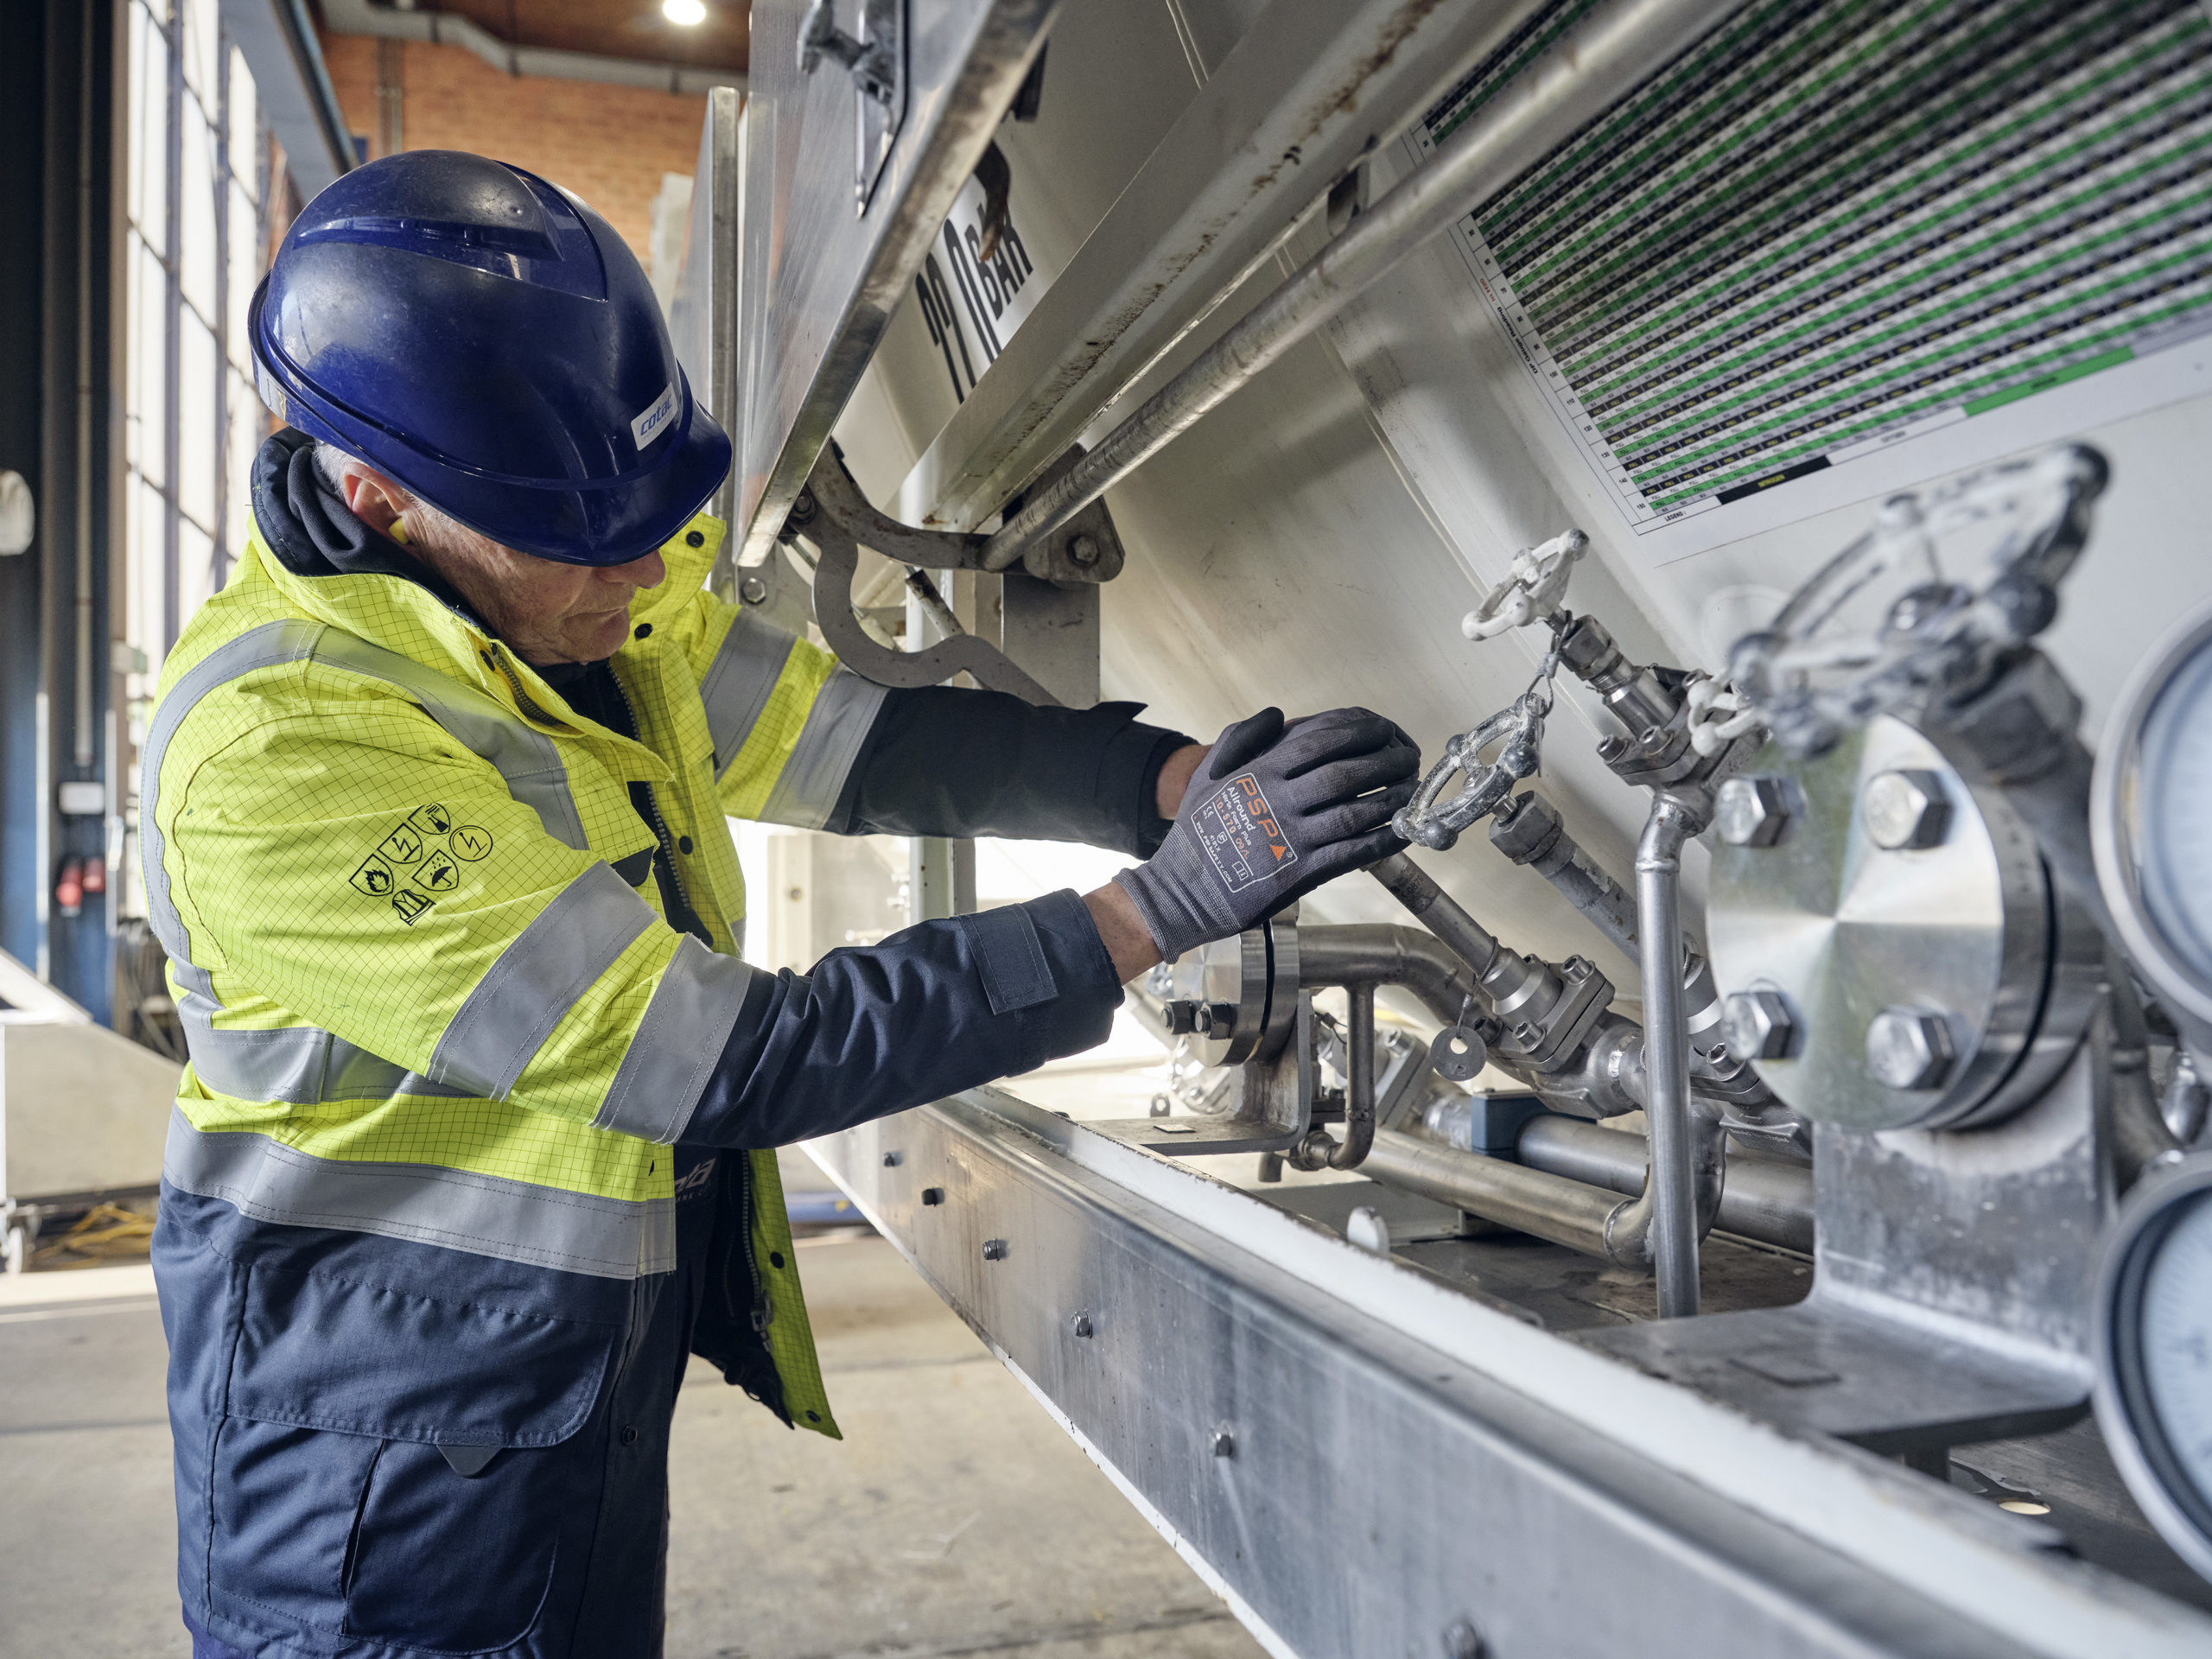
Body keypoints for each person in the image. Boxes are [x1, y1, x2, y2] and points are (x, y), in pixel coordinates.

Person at [145, 150, 1419, 1659]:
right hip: (373, 1470)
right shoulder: (281, 751)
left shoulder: (576, 603)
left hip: (540, 1396)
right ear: (382, 502)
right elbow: (727, 1061)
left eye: (646, 512)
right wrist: (1158, 908)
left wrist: (1171, 778)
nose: (643, 568)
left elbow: (871, 748)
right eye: (587, 537)